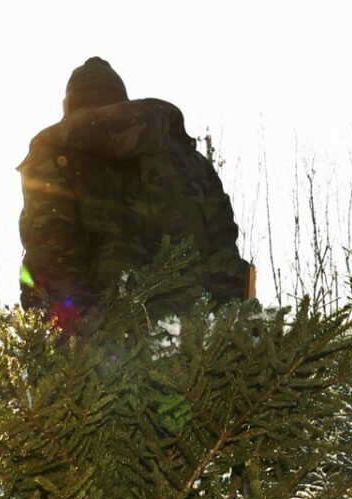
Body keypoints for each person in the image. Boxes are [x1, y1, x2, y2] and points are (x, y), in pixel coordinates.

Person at [18, 57, 253, 336]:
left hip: (105, 349)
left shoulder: (53, 160)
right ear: (121, 101)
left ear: (68, 106)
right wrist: (235, 336)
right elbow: (225, 262)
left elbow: (50, 258)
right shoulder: (190, 163)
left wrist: (76, 340)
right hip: (196, 343)